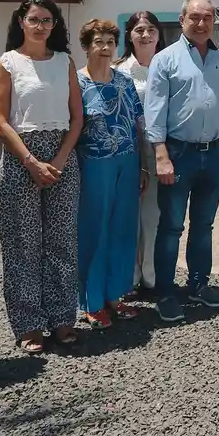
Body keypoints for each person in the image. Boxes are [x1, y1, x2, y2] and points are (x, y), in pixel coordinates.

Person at [0, 0, 85, 352]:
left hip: (62, 156)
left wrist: (59, 160)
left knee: (62, 242)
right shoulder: (7, 63)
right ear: (21, 22)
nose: (41, 25)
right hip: (20, 159)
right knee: (22, 245)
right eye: (35, 19)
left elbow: (77, 118)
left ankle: (62, 318)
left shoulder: (65, 63)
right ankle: (29, 323)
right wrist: (30, 161)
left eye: (48, 20)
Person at [145, 0, 219, 323]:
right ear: (183, 18)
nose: (201, 24)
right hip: (178, 153)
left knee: (204, 226)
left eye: (208, 18)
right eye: (195, 17)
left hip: (214, 154)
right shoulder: (165, 59)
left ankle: (199, 285)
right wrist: (161, 156)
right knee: (171, 226)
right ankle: (166, 293)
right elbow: (154, 112)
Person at [74, 19, 143, 329]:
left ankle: (116, 294)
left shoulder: (125, 82)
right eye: (97, 42)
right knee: (95, 230)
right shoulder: (75, 83)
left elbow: (137, 124)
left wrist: (141, 164)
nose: (104, 48)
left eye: (109, 43)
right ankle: (92, 300)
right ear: (86, 46)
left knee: (123, 228)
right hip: (93, 164)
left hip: (127, 162)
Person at [117, 12, 162, 295]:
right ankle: (128, 278)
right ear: (129, 35)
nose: (145, 35)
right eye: (139, 29)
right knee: (129, 216)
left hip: (160, 150)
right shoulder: (119, 71)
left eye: (151, 29)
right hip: (130, 149)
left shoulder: (167, 66)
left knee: (154, 216)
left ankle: (152, 276)